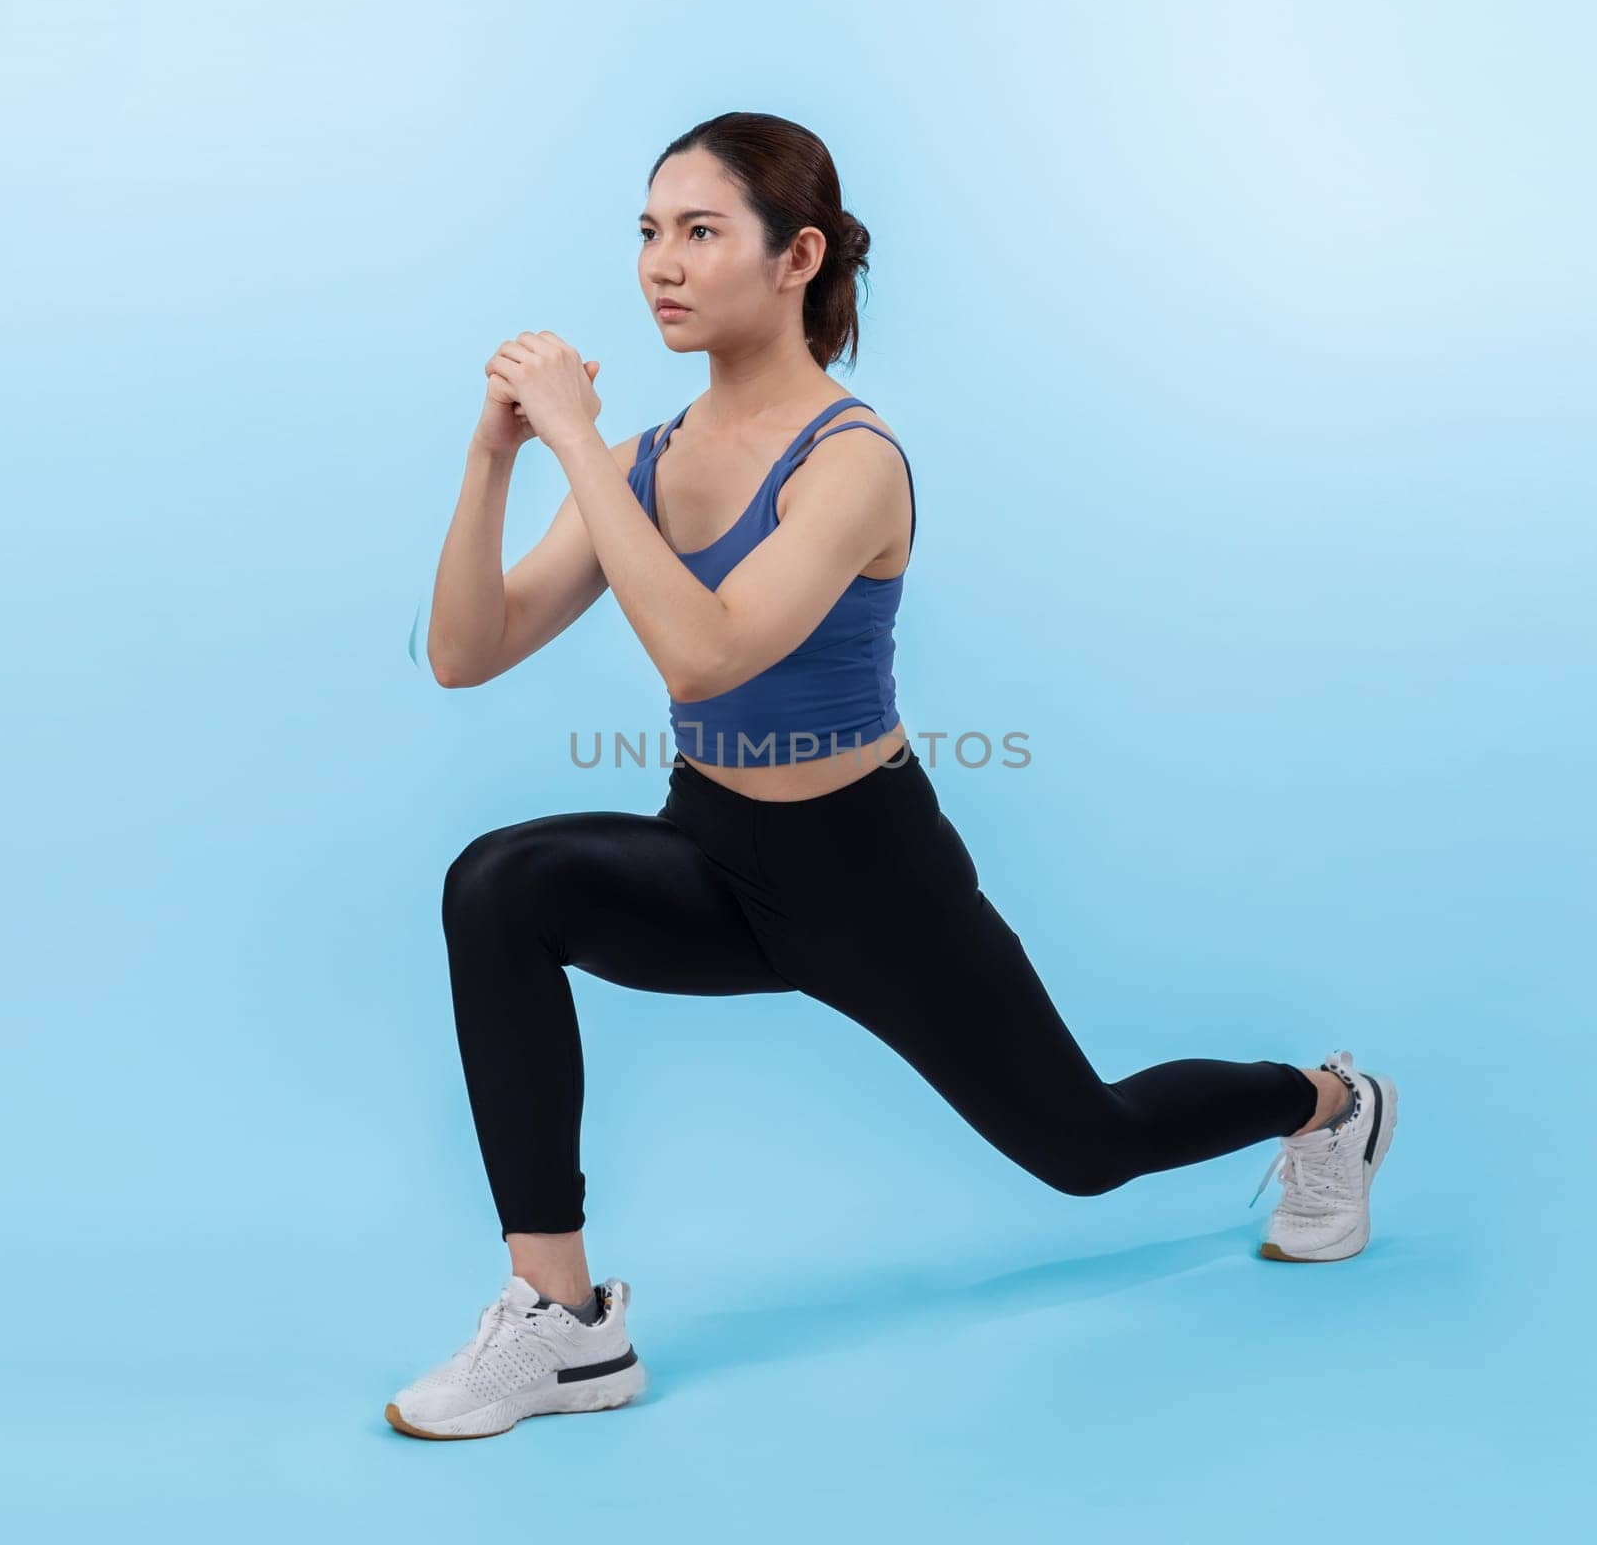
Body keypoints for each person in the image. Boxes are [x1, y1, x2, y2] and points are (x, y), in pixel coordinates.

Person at [385, 112, 1399, 1441]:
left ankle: (1327, 1103)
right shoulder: (640, 461)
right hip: (714, 854)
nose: (660, 267)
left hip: (873, 878)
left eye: (701, 232)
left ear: (798, 255)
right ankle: (565, 1327)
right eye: (647, 232)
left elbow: (707, 657)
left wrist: (576, 442)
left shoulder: (851, 462)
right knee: (499, 887)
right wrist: (495, 454)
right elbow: (465, 654)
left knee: (1084, 1149)